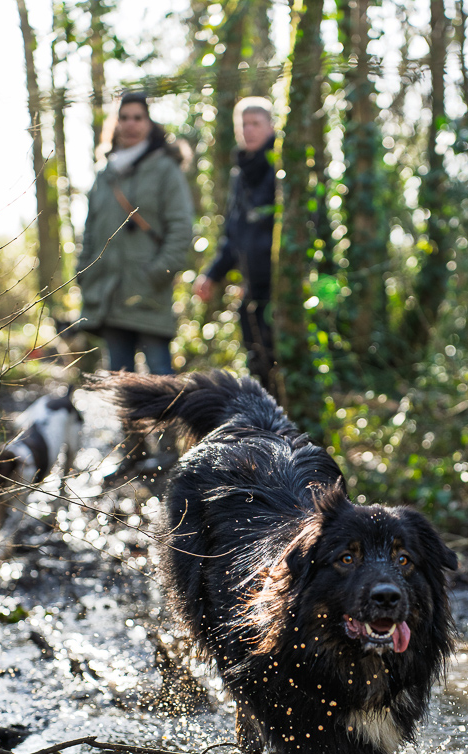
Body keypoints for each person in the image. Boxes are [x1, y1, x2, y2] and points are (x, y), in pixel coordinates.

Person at [77, 90, 194, 475]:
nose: (130, 124)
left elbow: (181, 229)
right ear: (117, 123)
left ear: (149, 123)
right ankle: (134, 452)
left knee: (160, 376)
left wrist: (156, 274)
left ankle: (171, 455)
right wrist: (85, 274)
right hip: (109, 294)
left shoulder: (164, 169)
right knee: (120, 378)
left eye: (137, 117)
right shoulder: (105, 173)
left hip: (149, 293)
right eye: (124, 117)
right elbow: (90, 233)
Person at [193, 100, 277, 391]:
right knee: (258, 364)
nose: (249, 130)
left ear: (271, 126)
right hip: (253, 292)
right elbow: (234, 234)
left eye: (256, 123)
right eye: (244, 124)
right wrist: (212, 275)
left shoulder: (282, 169)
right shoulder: (240, 175)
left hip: (282, 290)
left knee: (282, 362)